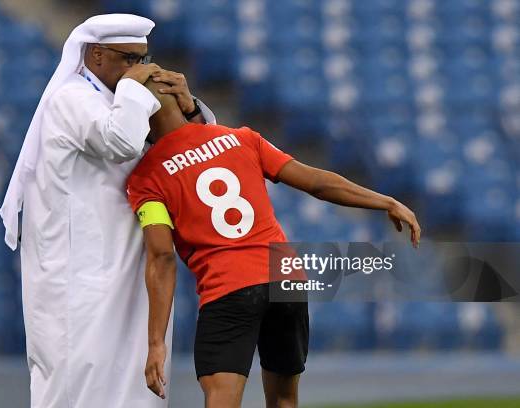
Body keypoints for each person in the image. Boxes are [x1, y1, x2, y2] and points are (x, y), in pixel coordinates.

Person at [126, 80, 421, 408]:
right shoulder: (241, 139)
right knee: (284, 399)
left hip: (228, 286)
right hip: (286, 279)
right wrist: (386, 202)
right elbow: (317, 182)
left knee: (221, 399)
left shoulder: (146, 178)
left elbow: (162, 255)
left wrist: (156, 343)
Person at [0, 14, 215, 408]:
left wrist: (190, 106)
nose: (138, 69)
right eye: (128, 59)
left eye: (143, 58)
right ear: (96, 55)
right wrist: (136, 89)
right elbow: (121, 142)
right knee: (79, 376)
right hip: (77, 272)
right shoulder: (72, 99)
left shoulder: (125, 99)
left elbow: (191, 155)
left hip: (130, 262)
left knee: (135, 381)